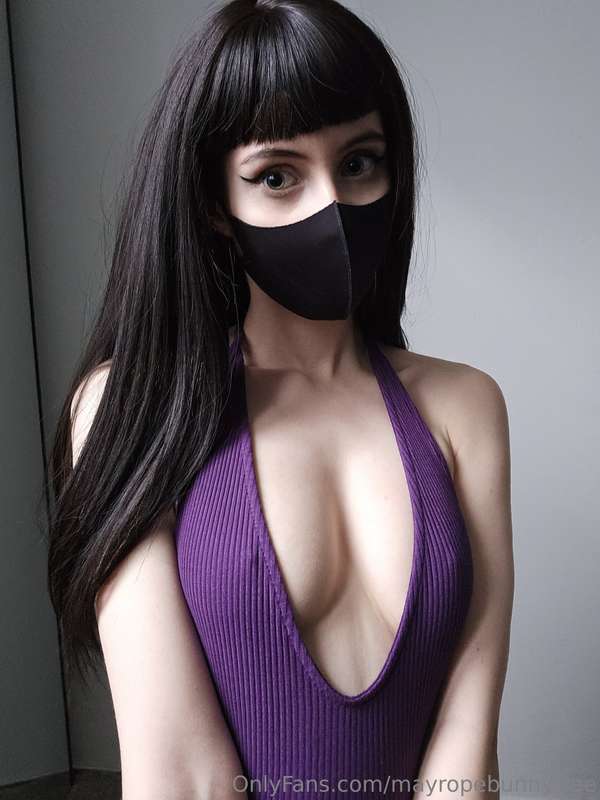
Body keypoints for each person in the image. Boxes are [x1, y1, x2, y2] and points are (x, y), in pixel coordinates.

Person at [47, 1, 514, 798]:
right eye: (276, 175)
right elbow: (180, 778)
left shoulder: (464, 406)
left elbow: (467, 751)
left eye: (359, 162)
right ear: (214, 206)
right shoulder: (133, 406)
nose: (330, 204)